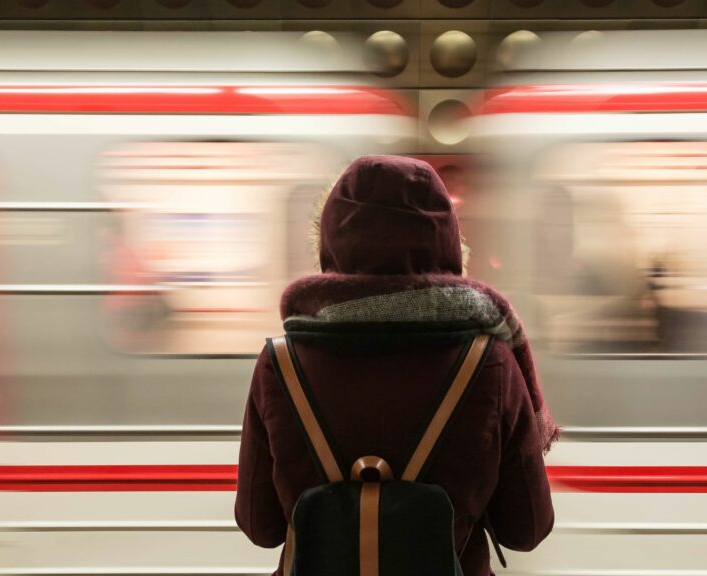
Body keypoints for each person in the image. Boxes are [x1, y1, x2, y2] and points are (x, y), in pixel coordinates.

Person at [235, 155, 557, 575]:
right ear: (447, 242)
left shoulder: (280, 364)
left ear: (330, 243)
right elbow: (527, 529)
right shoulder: (491, 363)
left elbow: (260, 527)